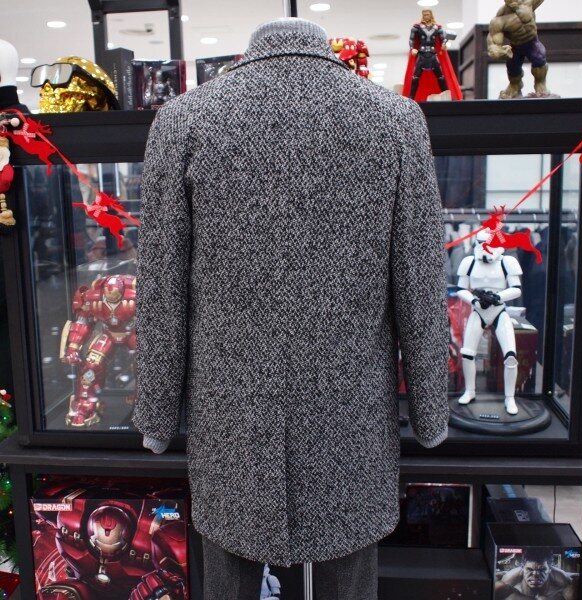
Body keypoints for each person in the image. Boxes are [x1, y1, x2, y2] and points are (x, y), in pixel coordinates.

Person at [134, 17, 449, 599]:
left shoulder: (184, 120)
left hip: (232, 418)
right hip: (350, 414)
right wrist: (430, 410)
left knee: (228, 581)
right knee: (350, 581)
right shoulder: (396, 120)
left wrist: (157, 414)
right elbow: (421, 280)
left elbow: (161, 287)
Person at [487, 0, 552, 99]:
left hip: (532, 42)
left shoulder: (529, 3)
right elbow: (493, 44)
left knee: (539, 58)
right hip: (516, 46)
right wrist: (498, 52)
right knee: (513, 67)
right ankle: (514, 87)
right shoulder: (499, 20)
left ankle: (540, 85)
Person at [495, 548, 578, 599]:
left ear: (550, 569)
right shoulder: (508, 581)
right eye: (530, 569)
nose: (535, 574)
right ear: (522, 568)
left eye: (542, 570)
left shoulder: (563, 581)